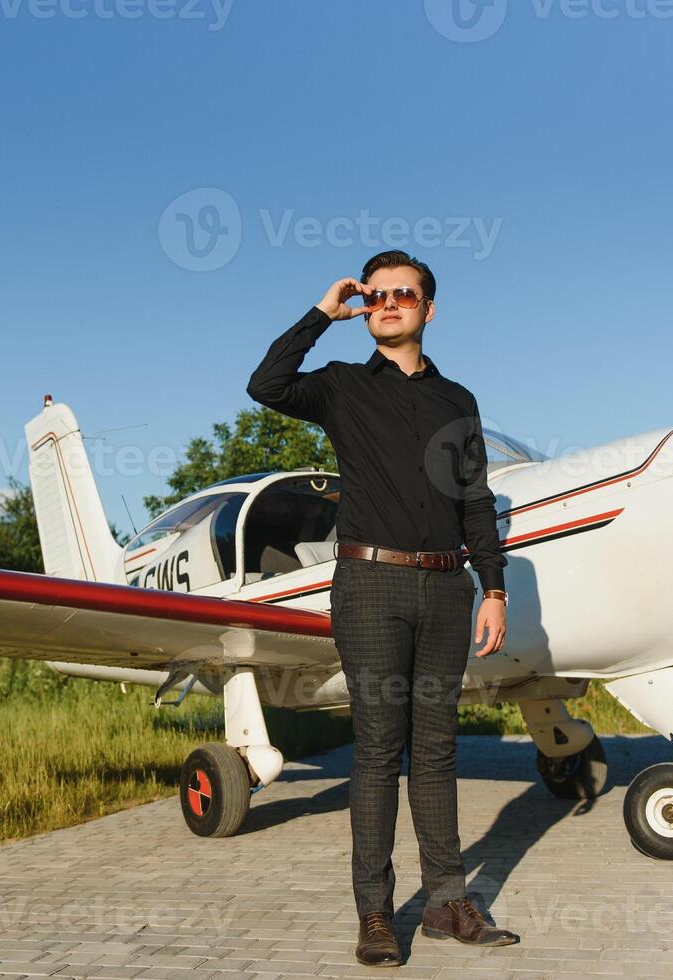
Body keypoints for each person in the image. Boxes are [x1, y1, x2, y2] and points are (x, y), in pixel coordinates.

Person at [246, 250, 518, 967]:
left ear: (429, 310)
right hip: (370, 586)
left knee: (435, 752)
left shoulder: (457, 401)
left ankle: (448, 905)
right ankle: (373, 915)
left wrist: (493, 586)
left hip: (447, 589)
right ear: (363, 308)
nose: (389, 304)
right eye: (377, 296)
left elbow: (476, 500)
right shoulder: (339, 387)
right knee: (375, 752)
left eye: (405, 294)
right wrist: (320, 314)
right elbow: (265, 383)